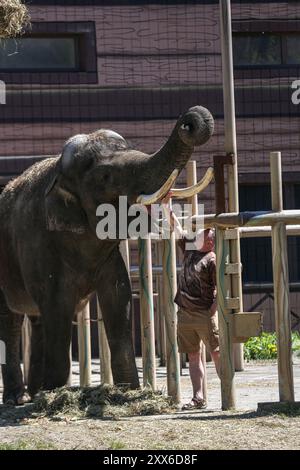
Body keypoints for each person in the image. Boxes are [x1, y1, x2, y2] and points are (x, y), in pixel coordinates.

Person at [162, 194, 220, 410]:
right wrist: (166, 206)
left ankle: (227, 390)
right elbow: (176, 226)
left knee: (216, 352)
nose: (211, 237)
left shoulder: (212, 259)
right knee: (193, 356)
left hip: (204, 312)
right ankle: (198, 397)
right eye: (207, 234)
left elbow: (220, 289)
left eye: (212, 234)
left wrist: (212, 310)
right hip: (185, 313)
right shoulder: (189, 249)